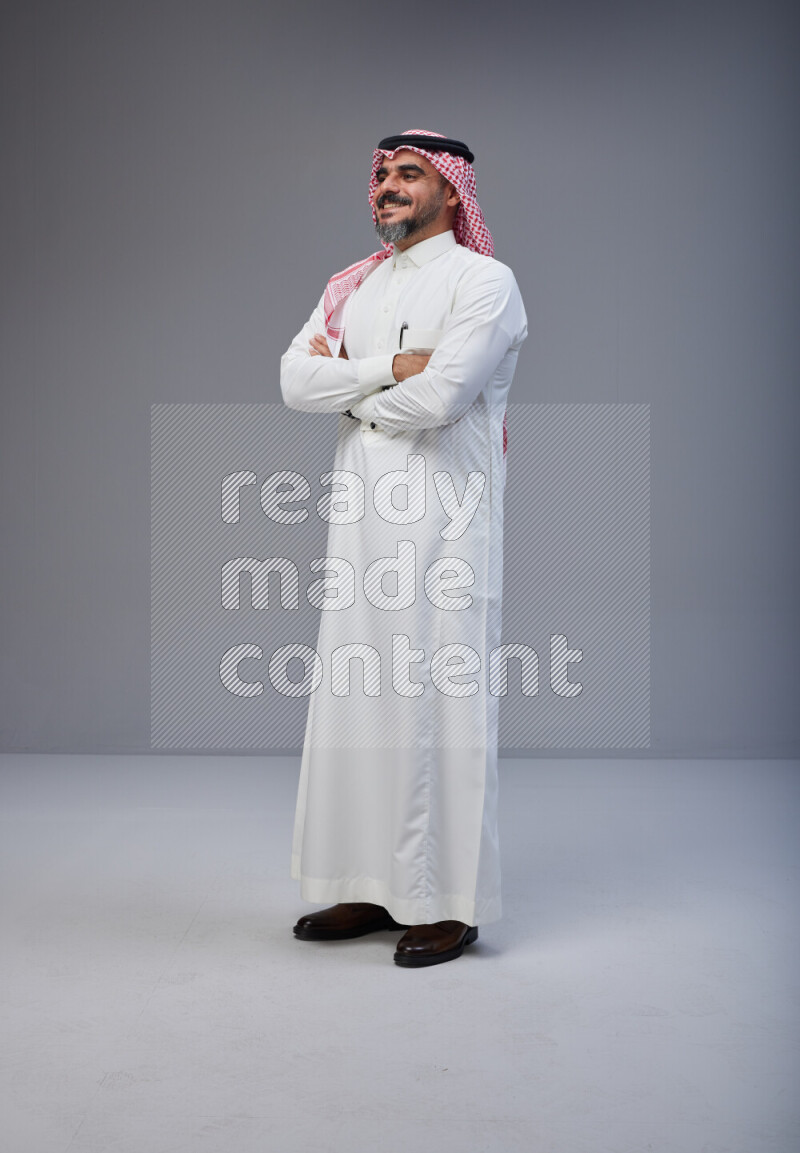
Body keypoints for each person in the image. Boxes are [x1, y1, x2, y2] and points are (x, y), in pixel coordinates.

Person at [280, 129, 527, 967]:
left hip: (445, 525)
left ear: (452, 192)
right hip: (359, 526)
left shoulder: (484, 281)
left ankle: (448, 903)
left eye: (409, 174)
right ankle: (368, 882)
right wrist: (391, 367)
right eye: (382, 173)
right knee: (358, 698)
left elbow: (445, 396)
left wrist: (353, 394)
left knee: (438, 702)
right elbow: (291, 380)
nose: (387, 186)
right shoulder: (353, 284)